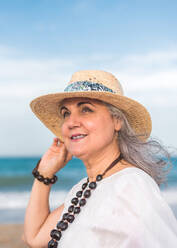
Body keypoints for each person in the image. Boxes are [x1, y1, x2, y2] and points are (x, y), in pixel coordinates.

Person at [23, 70, 177, 248]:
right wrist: (44, 173)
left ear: (117, 121)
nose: (71, 122)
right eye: (66, 113)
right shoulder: (83, 188)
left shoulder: (131, 186)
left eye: (86, 110)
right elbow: (34, 238)